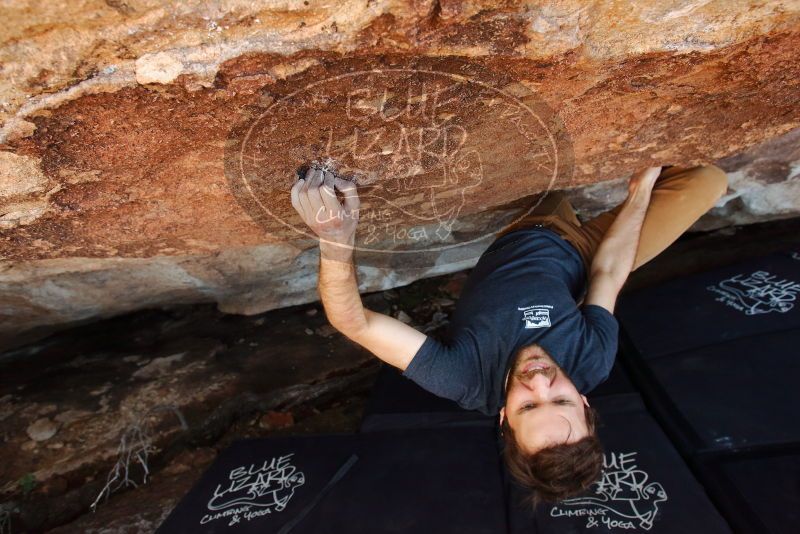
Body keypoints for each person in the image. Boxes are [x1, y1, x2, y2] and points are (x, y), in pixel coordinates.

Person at [290, 163, 728, 505]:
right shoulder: (592, 362)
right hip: (582, 252)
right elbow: (609, 271)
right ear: (585, 401)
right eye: (560, 399)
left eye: (528, 405)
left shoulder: (462, 377)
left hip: (521, 227)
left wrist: (335, 238)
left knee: (552, 187)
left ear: (503, 418)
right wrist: (641, 190)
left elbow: (355, 323)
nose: (539, 380)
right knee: (707, 181)